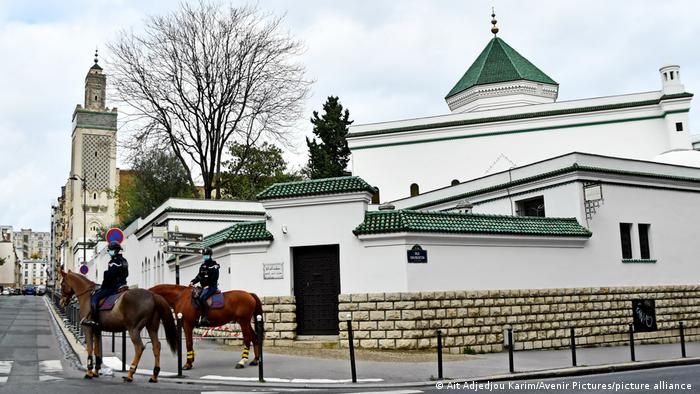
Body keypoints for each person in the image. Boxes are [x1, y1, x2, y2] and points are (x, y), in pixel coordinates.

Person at [83, 241, 129, 327]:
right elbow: (126, 274)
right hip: (124, 285)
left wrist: (103, 285)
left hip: (113, 287)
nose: (109, 252)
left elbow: (110, 276)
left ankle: (94, 320)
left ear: (115, 250)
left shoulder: (113, 262)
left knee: (94, 298)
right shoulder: (124, 261)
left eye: (110, 250)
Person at [189, 247, 219, 326]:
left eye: (206, 255)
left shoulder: (214, 265)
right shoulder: (203, 266)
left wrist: (208, 285)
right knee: (196, 296)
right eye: (204, 255)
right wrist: (193, 281)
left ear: (210, 255)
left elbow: (215, 277)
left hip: (212, 286)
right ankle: (199, 317)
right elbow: (199, 276)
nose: (205, 256)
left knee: (202, 297)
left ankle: (205, 317)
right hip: (204, 287)